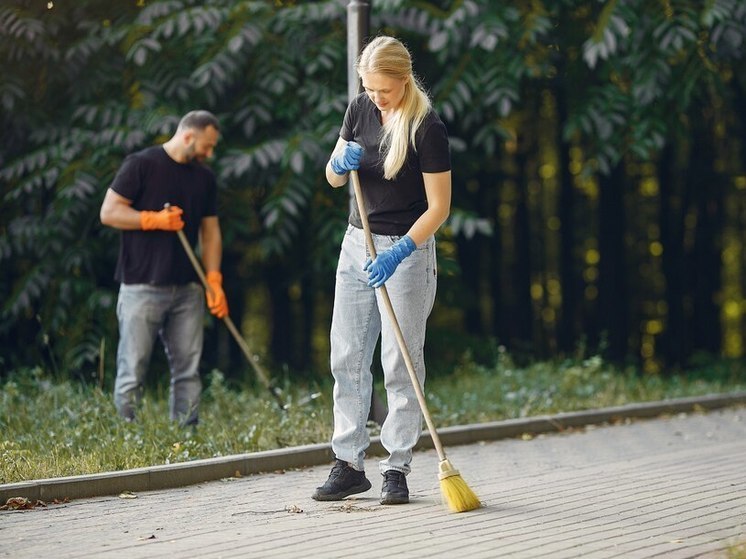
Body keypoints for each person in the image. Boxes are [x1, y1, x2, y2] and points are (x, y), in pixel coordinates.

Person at [312, 36, 451, 505]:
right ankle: (349, 464)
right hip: (356, 244)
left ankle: (396, 468)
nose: (376, 98)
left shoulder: (427, 128)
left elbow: (439, 208)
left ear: (405, 80)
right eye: (369, 89)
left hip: (406, 252)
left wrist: (400, 252)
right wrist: (337, 161)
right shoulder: (358, 109)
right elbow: (333, 177)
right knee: (347, 355)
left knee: (401, 362)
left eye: (383, 91)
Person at [100, 110, 228, 427]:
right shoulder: (141, 164)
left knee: (188, 368)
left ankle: (188, 433)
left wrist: (214, 278)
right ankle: (125, 434)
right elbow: (109, 212)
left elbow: (210, 232)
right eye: (206, 146)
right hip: (141, 285)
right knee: (133, 366)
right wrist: (151, 219)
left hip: (187, 288)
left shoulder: (204, 177)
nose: (209, 153)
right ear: (188, 136)